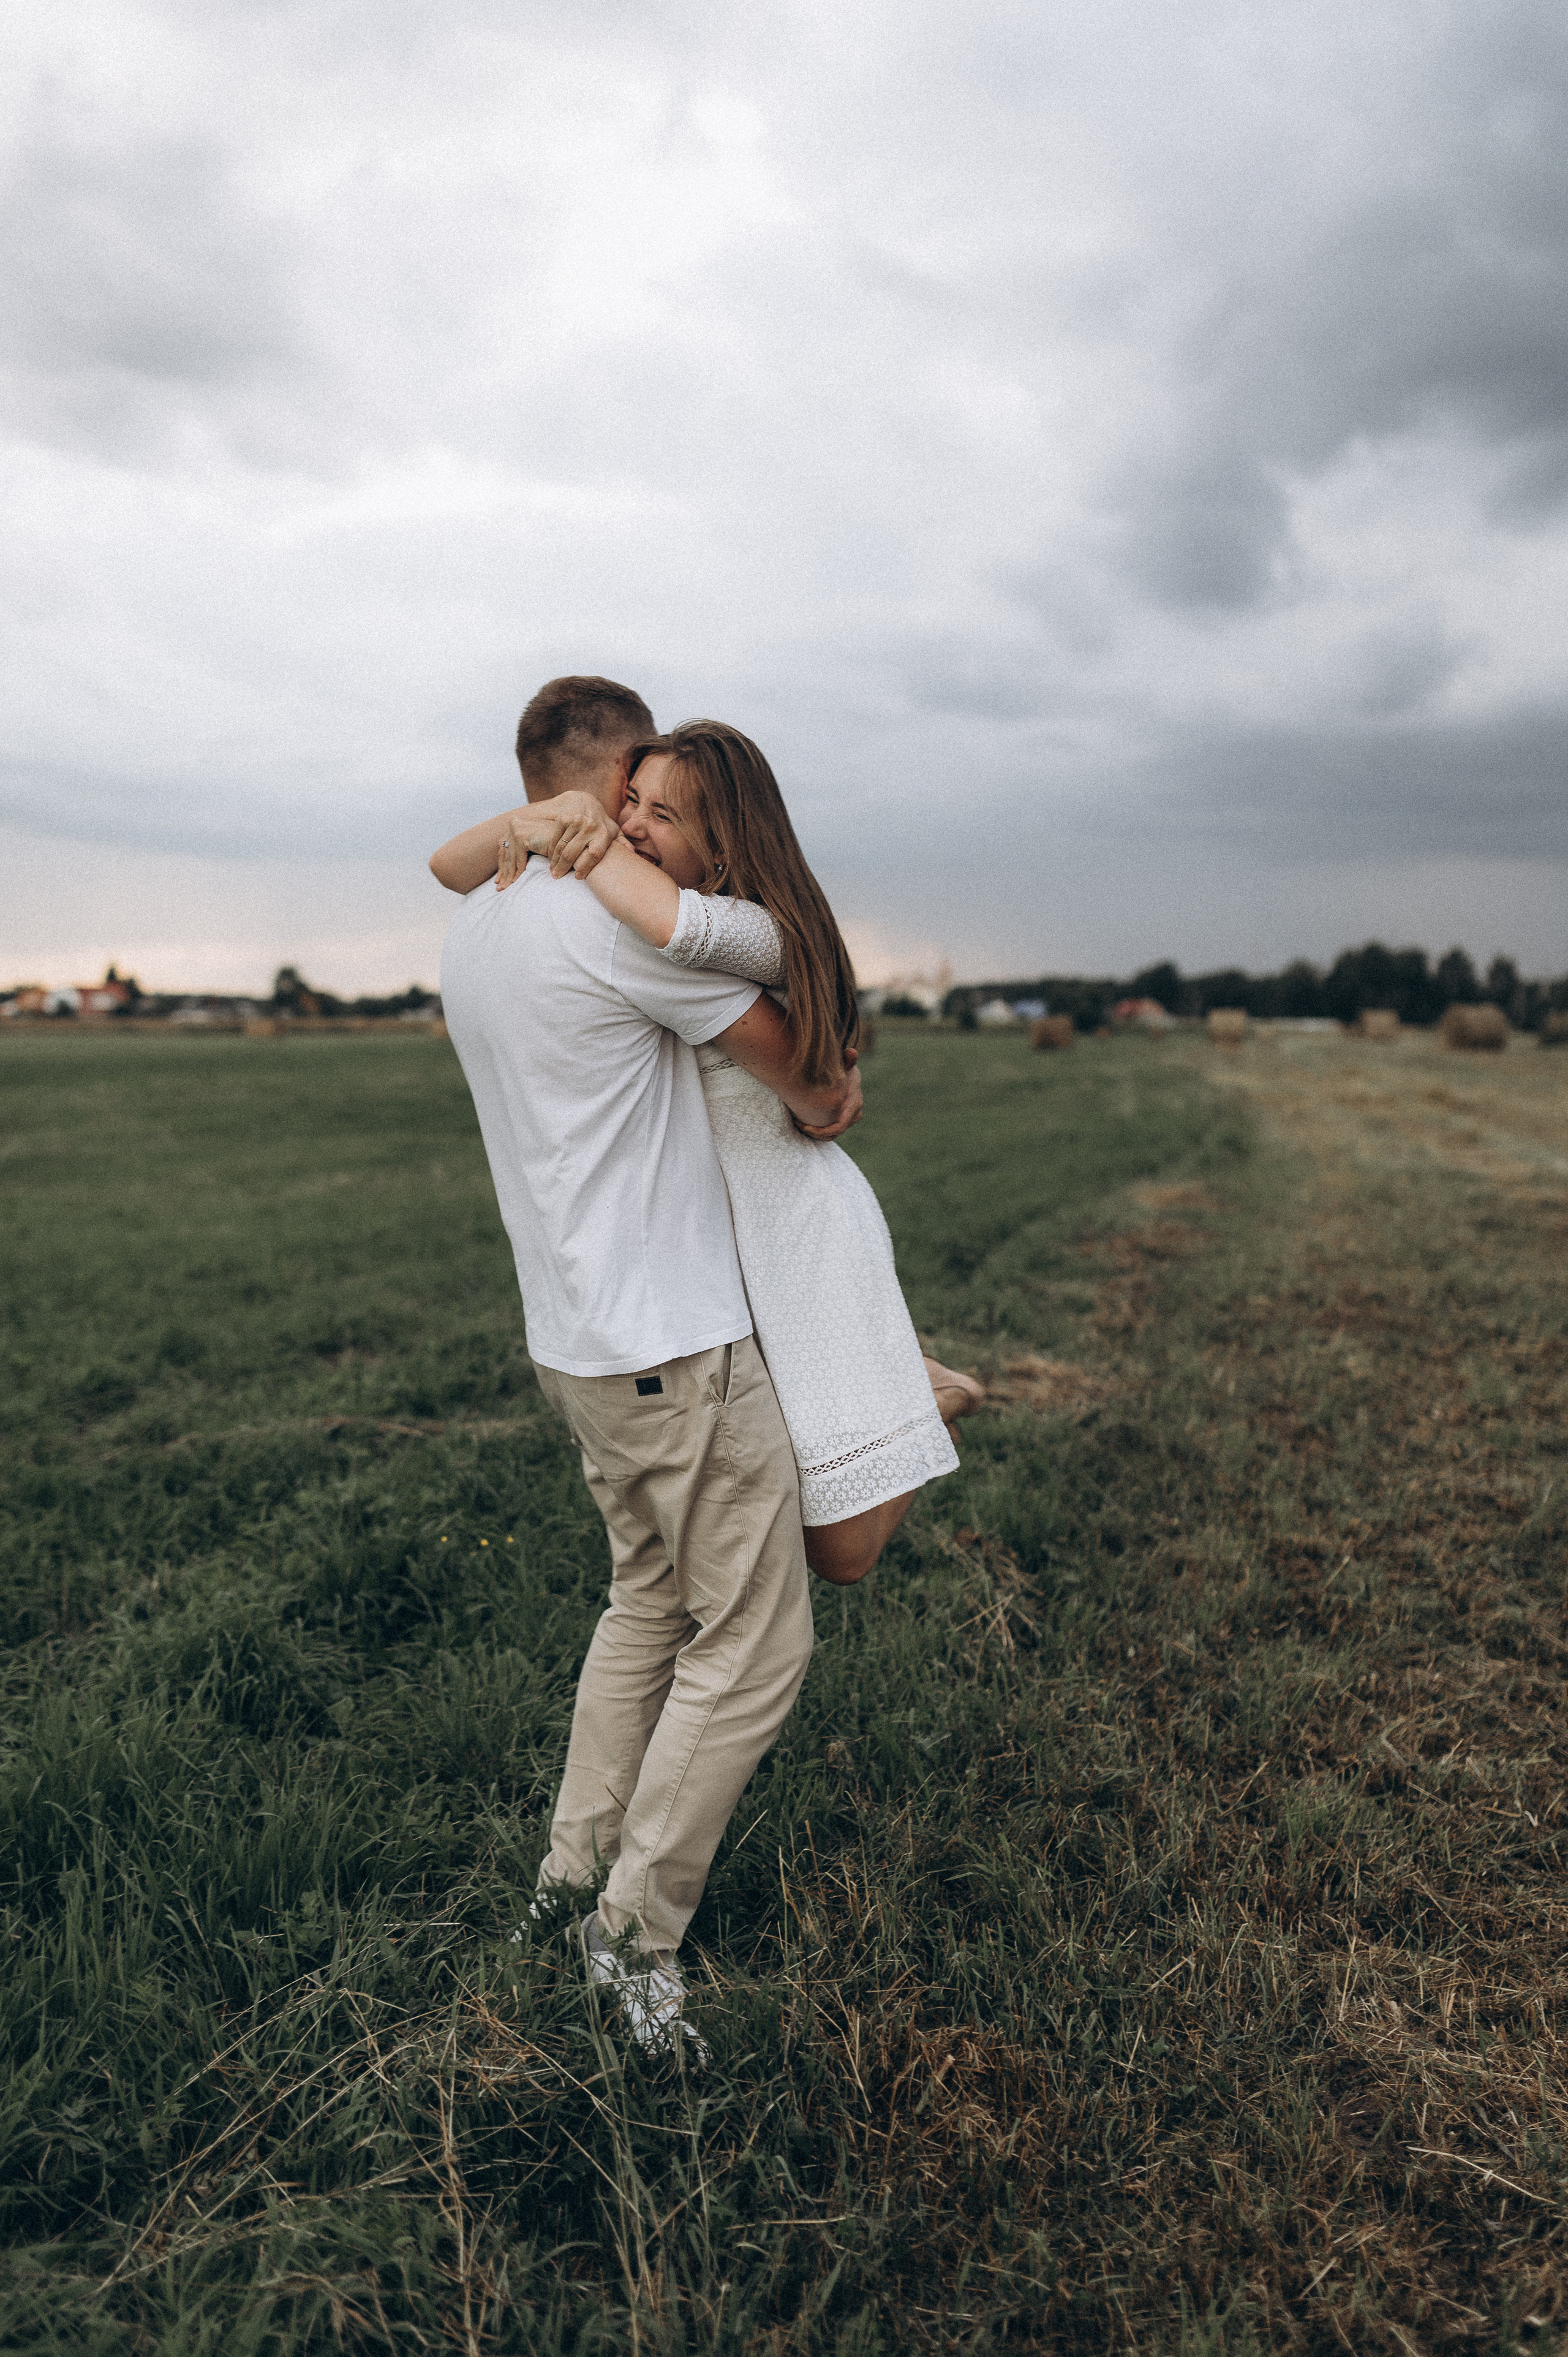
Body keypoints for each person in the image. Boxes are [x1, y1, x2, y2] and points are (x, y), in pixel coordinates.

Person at [434, 676, 863, 2061]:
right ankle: (633, 1936)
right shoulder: (611, 920)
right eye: (641, 796)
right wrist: (822, 1085)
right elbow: (804, 1066)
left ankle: (566, 1883)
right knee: (751, 1646)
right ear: (603, 781)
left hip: (572, 1341)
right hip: (672, 1342)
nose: (644, 819)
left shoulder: (481, 924)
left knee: (645, 1605)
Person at [486, 720, 984, 1585]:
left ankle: (938, 1395)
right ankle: (906, 1386)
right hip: (728, 1254)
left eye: (665, 816)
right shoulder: (667, 917)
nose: (635, 824)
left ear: (724, 846)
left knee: (840, 1554)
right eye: (630, 801)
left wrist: (582, 831)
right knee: (775, 1505)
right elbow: (446, 868)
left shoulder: (750, 930)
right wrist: (554, 814)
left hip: (801, 1234)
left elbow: (663, 922)